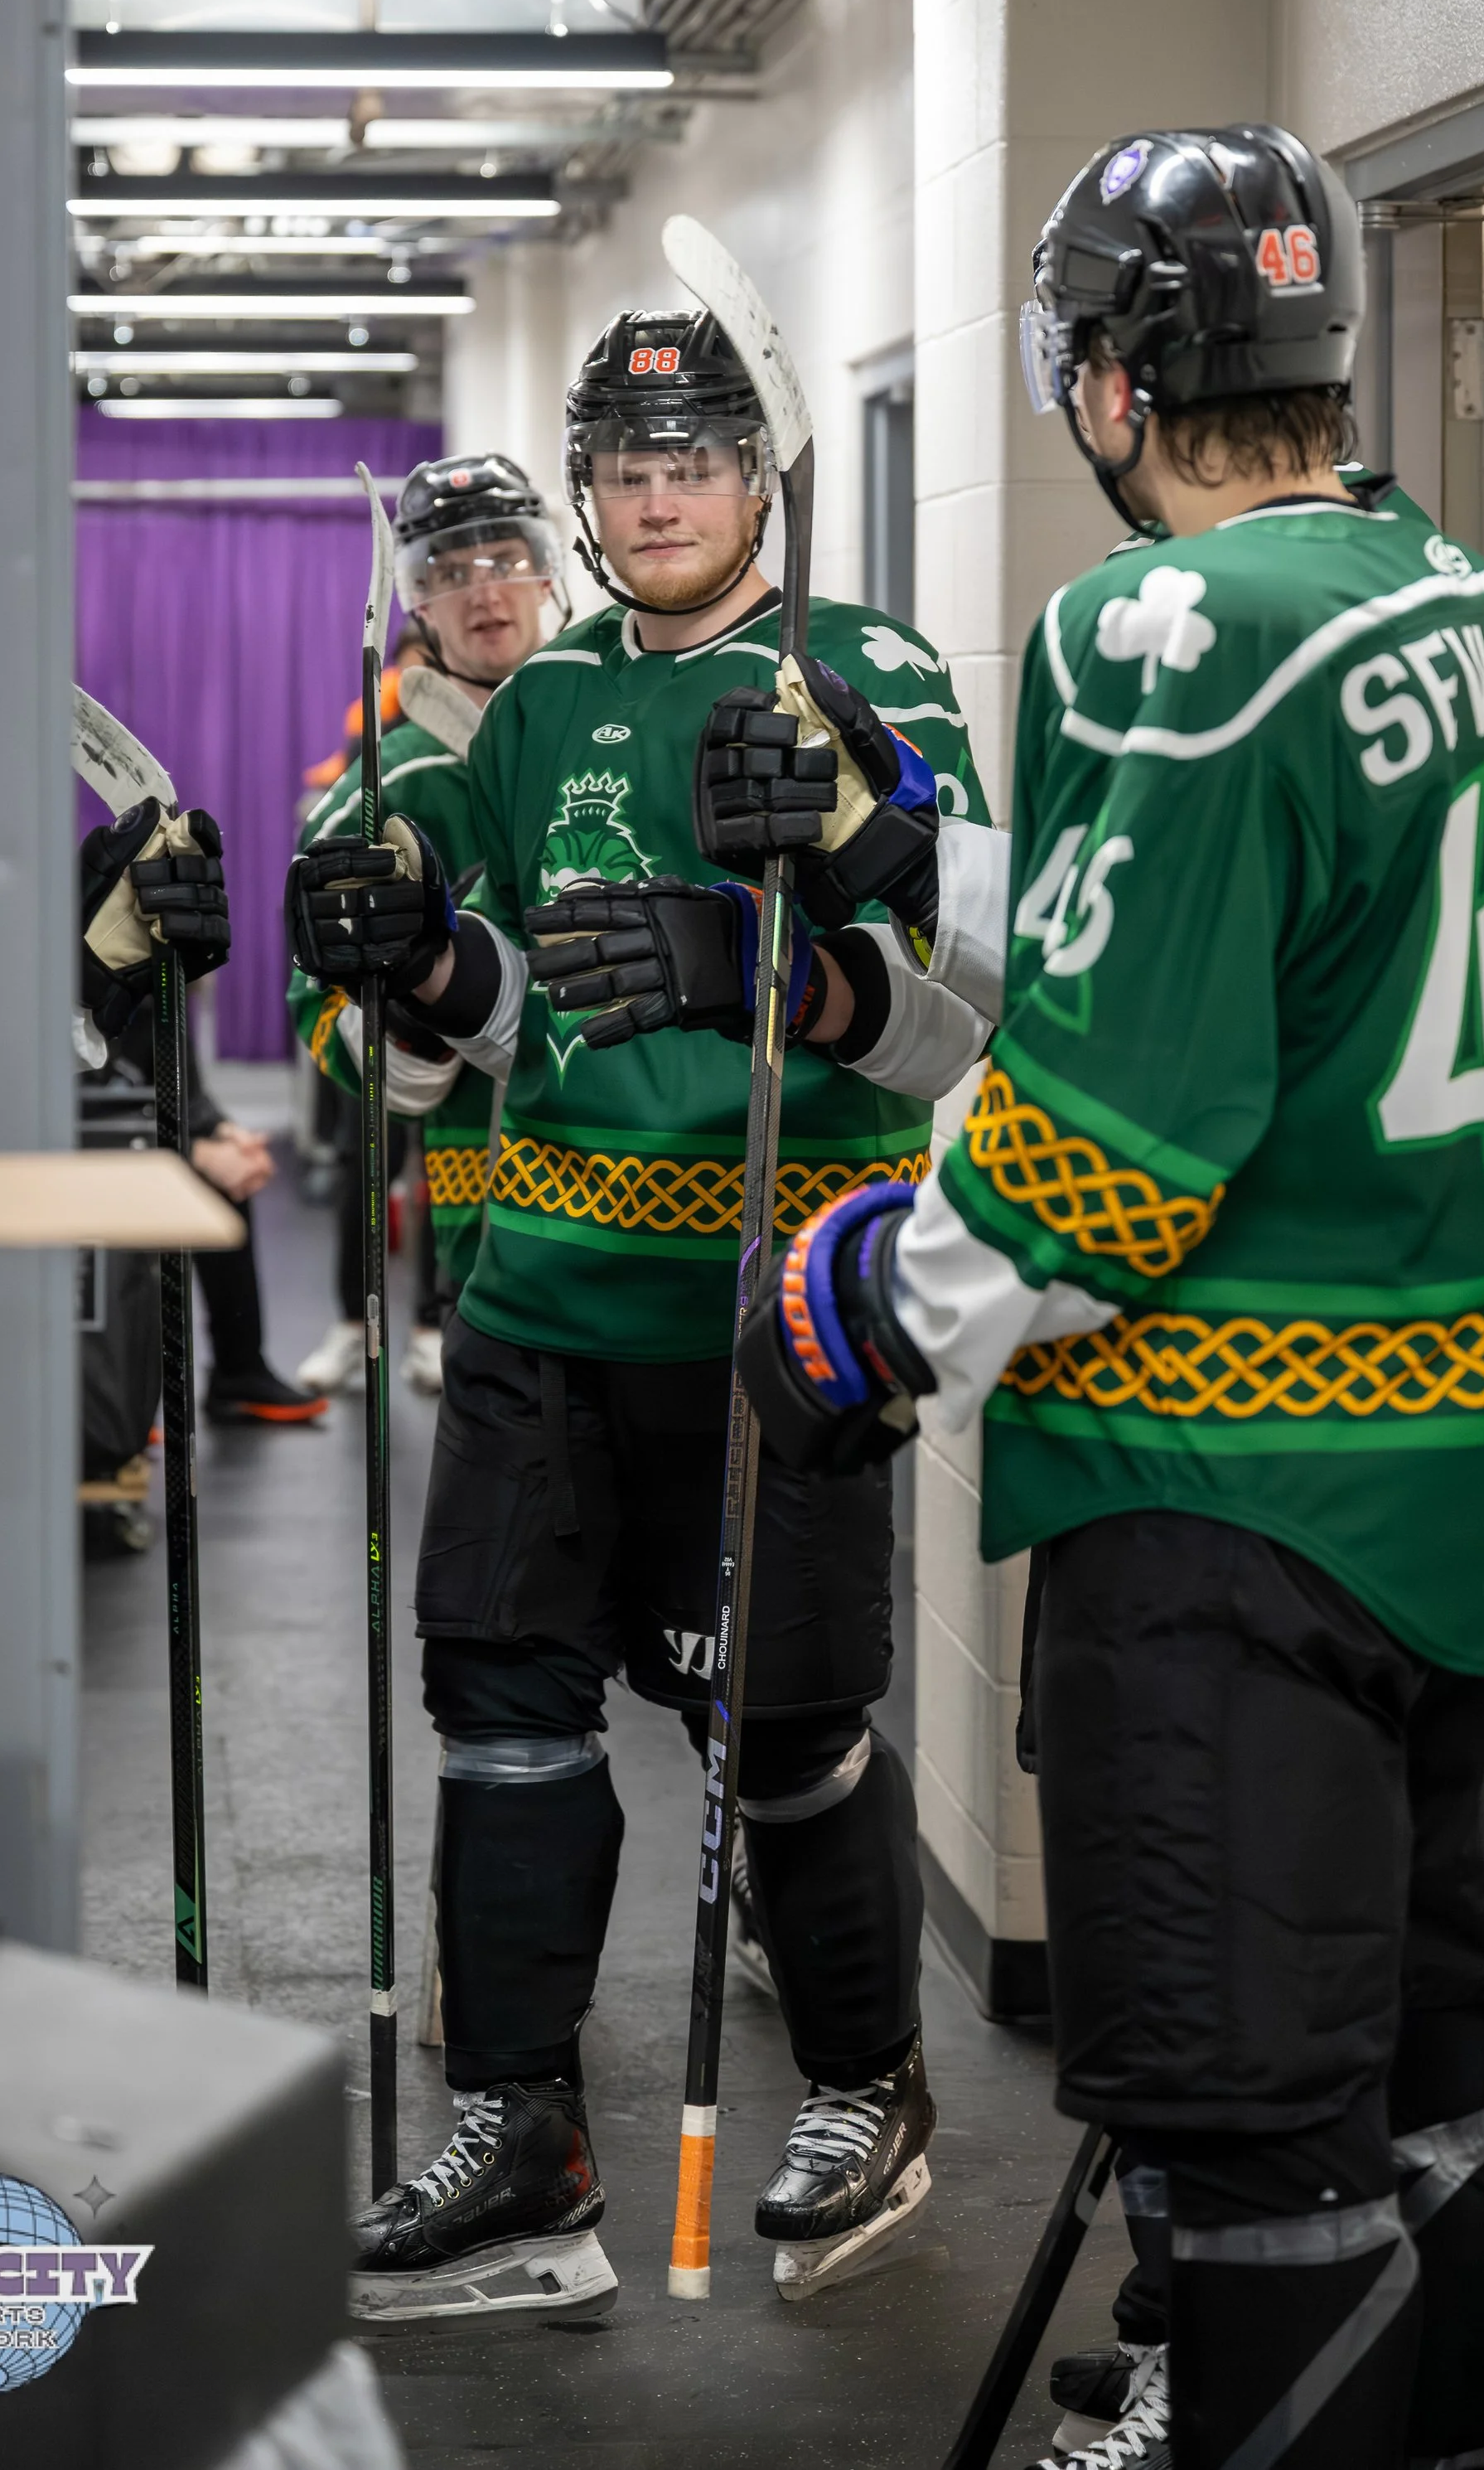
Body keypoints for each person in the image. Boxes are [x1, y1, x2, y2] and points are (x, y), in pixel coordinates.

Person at [737, 126, 1484, 2470]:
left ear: (1114, 375)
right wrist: (921, 850)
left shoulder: (1154, 624)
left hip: (1237, 1497)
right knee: (1432, 2065)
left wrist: (863, 1309)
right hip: (1443, 1481)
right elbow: (1242, 928)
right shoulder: (1446, 593)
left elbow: (1115, 1135)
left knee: (1243, 2153)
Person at [287, 304, 996, 2322]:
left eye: (692, 453)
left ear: (757, 473)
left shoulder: (864, 671)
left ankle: (871, 2079)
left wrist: (762, 962)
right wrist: (419, 960)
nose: (657, 488)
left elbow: (961, 1024)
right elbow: (517, 1014)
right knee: (498, 1694)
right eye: (623, 460)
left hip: (775, 1299)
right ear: (587, 493)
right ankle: (527, 2133)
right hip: (540, 1295)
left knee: (778, 1723)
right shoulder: (538, 708)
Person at [289, 455, 566, 1398]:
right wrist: (411, 994)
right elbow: (321, 1013)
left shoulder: (616, 729)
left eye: (502, 559)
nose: (482, 591)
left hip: (663, 1218)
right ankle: (362, 1318)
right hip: (491, 1228)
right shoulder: (380, 791)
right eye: (449, 573)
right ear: (417, 602)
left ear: (545, 571)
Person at [78, 797, 326, 1427]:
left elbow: (180, 1078)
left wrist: (221, 1131)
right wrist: (191, 1152)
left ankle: (239, 1372)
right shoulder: (88, 977)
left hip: (141, 1133)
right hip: (96, 1147)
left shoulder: (162, 972)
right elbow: (94, 1102)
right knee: (205, 1180)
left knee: (229, 1178)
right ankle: (127, 1390)